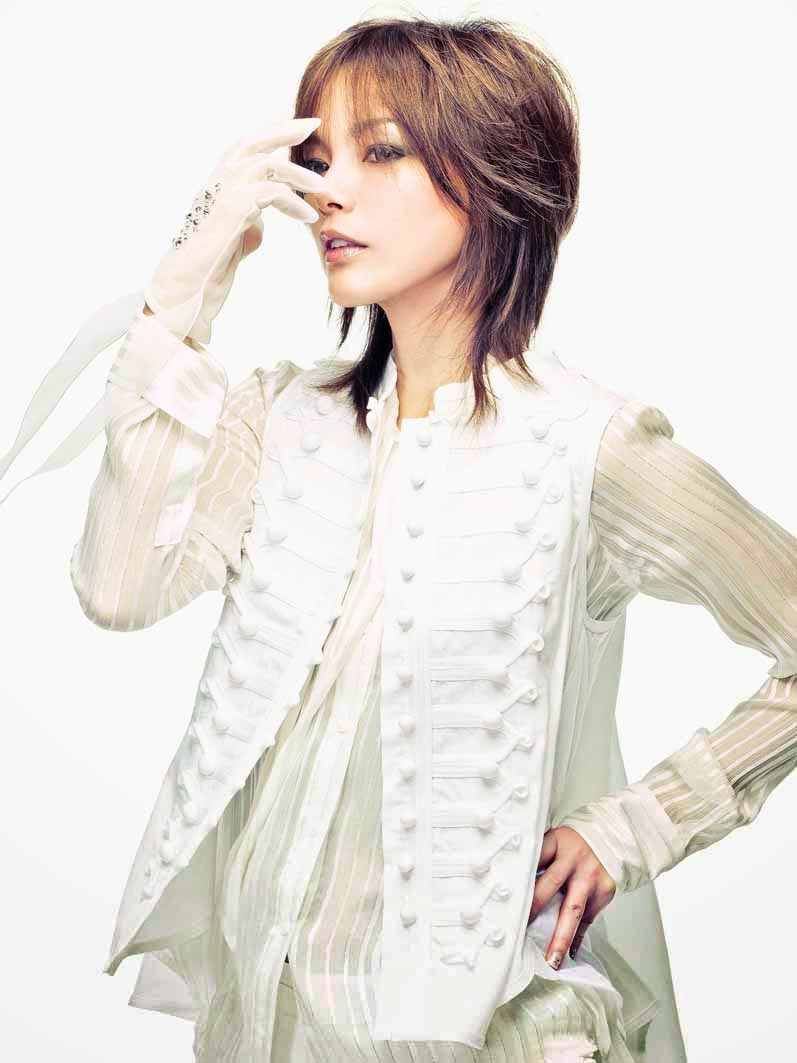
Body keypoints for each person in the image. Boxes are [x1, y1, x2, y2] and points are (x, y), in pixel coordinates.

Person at [2, 16, 796, 1063]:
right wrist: (179, 297)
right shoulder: (280, 420)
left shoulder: (587, 450)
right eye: (319, 158)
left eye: (380, 152)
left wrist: (635, 826)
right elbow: (117, 587)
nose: (329, 192)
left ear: (495, 178)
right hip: (263, 1029)